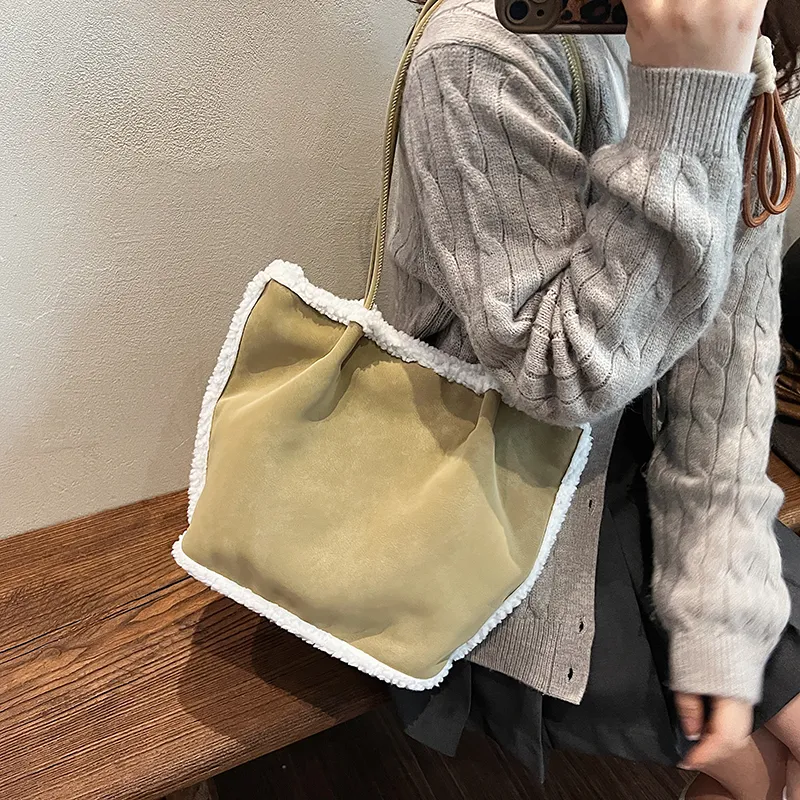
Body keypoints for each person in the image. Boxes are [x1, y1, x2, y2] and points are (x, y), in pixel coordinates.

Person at [382, 1, 800, 798]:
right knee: (759, 768)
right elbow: (557, 376)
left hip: (649, 468)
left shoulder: (727, 33)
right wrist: (683, 110)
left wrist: (717, 597)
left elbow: (730, 361)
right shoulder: (480, 53)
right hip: (499, 498)